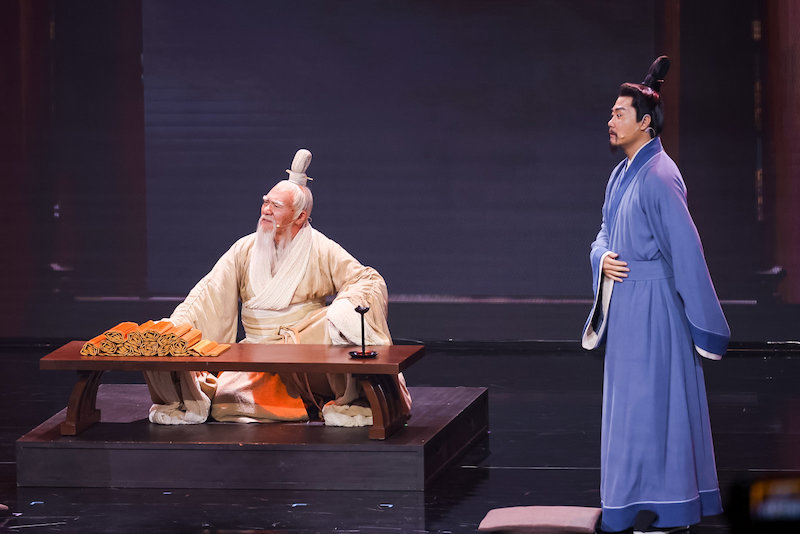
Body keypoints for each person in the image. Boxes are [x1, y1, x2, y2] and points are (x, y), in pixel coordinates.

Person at [144, 148, 410, 426]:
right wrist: (175, 327)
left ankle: (322, 393)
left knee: (337, 319)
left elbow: (367, 279)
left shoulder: (320, 247)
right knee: (228, 405)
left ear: (300, 217)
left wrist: (344, 310)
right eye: (265, 202)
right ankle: (288, 397)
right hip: (255, 352)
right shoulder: (245, 248)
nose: (266, 210)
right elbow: (208, 293)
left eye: (276, 206)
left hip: (305, 352)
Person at [581, 57, 730, 534]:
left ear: (645, 122)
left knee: (656, 408)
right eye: (611, 113)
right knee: (629, 411)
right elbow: (604, 231)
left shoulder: (661, 176)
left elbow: (687, 252)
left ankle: (669, 503)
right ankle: (631, 503)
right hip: (626, 306)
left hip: (656, 310)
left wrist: (705, 324)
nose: (610, 120)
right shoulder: (620, 174)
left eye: (619, 113)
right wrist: (602, 258)